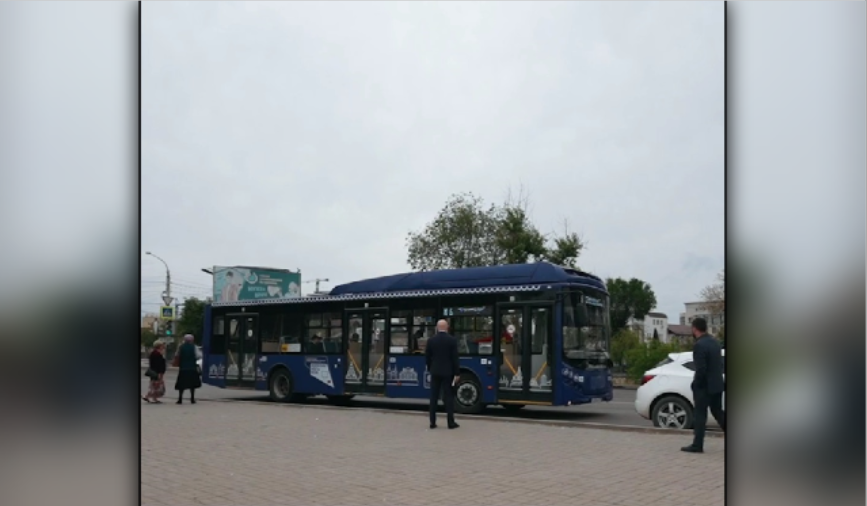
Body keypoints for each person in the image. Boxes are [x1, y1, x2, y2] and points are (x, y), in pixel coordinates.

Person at [682, 317, 726, 453]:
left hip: (704, 386)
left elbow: (701, 369)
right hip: (717, 384)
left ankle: (697, 444)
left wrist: (696, 384)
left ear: (694, 328)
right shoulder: (715, 343)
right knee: (718, 412)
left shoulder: (699, 345)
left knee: (700, 415)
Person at [425, 319, 460, 430]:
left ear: (437, 327)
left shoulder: (431, 340)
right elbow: (455, 358)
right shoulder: (452, 340)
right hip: (447, 372)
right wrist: (457, 373)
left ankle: (432, 422)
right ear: (447, 327)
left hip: (435, 371)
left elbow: (427, 357)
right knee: (448, 397)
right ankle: (450, 422)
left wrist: (431, 368)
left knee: (434, 397)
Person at [175, 334, 202, 404]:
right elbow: (199, 356)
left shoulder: (181, 347)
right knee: (192, 384)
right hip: (192, 368)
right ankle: (192, 399)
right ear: (192, 340)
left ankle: (180, 398)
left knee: (181, 384)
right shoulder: (194, 347)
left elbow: (177, 355)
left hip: (183, 368)